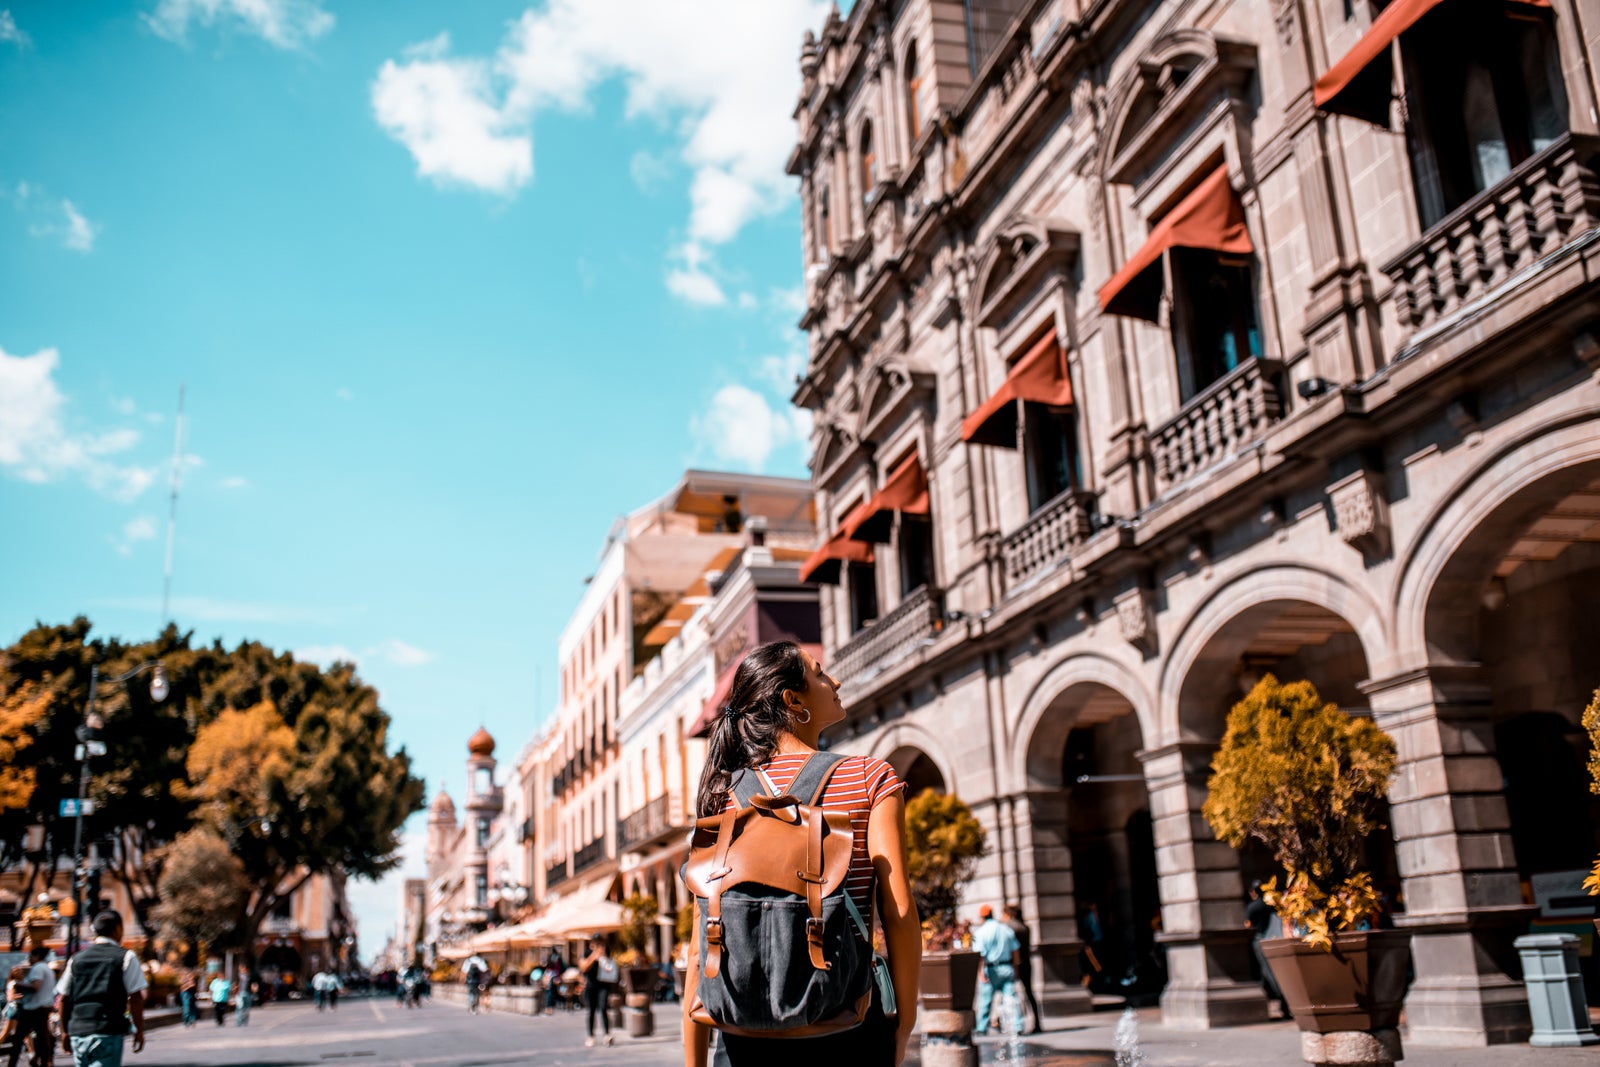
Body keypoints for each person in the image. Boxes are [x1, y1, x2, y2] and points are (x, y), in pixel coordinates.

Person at [682, 641, 921, 1067]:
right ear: (793, 700)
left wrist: (693, 1062)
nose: (835, 680)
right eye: (820, 673)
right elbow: (898, 911)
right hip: (846, 1024)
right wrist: (904, 1021)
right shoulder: (868, 779)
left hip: (740, 1037)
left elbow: (701, 946)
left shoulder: (724, 795)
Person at [56, 909, 147, 1067]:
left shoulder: (76, 959)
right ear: (118, 928)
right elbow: (136, 997)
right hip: (107, 1031)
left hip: (78, 1032)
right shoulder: (125, 957)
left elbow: (63, 998)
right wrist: (139, 1030)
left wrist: (64, 1032)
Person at [973, 904, 1022, 1035]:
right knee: (1011, 998)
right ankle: (1017, 1026)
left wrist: (980, 973)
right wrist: (1016, 967)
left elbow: (980, 955)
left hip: (990, 969)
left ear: (982, 917)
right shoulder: (1005, 929)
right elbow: (1015, 950)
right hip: (1007, 967)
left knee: (985, 1000)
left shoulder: (981, 932)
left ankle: (981, 1028)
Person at [1245, 880, 1288, 1018]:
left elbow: (1247, 924)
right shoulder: (1272, 904)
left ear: (1253, 891)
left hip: (1261, 940)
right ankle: (1283, 1004)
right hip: (1276, 939)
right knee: (1275, 972)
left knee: (1268, 973)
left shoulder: (1253, 907)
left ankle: (1281, 1001)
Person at [7, 946, 54, 1067]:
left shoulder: (38, 968)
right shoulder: (48, 969)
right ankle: (44, 1061)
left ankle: (12, 1063)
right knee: (42, 1038)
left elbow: (35, 987)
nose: (29, 959)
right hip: (43, 1007)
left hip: (32, 1009)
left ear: (36, 956)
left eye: (31, 956)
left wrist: (18, 985)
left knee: (18, 1039)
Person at [1002, 904, 1044, 1034]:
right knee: (1029, 993)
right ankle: (1037, 1022)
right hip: (1027, 962)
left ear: (1008, 915)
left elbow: (1011, 949)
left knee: (1010, 994)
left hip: (1014, 964)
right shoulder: (1025, 927)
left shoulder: (1009, 928)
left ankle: (1014, 1024)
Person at [577, 938, 615, 1047]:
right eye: (596, 943)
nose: (598, 945)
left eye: (600, 943)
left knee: (603, 1008)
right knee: (591, 1011)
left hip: (603, 985)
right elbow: (584, 967)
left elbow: (611, 967)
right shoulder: (587, 953)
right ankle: (591, 1036)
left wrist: (603, 958)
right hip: (591, 986)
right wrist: (594, 956)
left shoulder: (606, 953)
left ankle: (607, 1035)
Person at [542, 949, 563, 1014]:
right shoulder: (556, 957)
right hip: (552, 975)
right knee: (550, 992)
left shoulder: (551, 957)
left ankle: (548, 1007)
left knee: (548, 991)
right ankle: (549, 1007)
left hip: (549, 974)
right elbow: (558, 968)